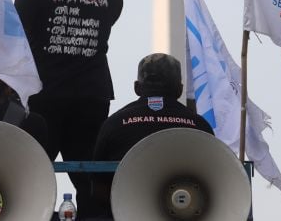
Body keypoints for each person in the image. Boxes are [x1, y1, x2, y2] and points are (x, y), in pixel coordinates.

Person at [14, 0, 123, 217]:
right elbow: (109, 21)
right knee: (91, 181)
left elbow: (18, 35)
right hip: (93, 96)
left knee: (30, 177)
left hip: (42, 97)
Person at [89, 53, 214, 219]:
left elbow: (97, 187)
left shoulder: (114, 123)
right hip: (182, 211)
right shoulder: (200, 126)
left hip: (126, 212)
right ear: (179, 89)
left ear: (137, 88)